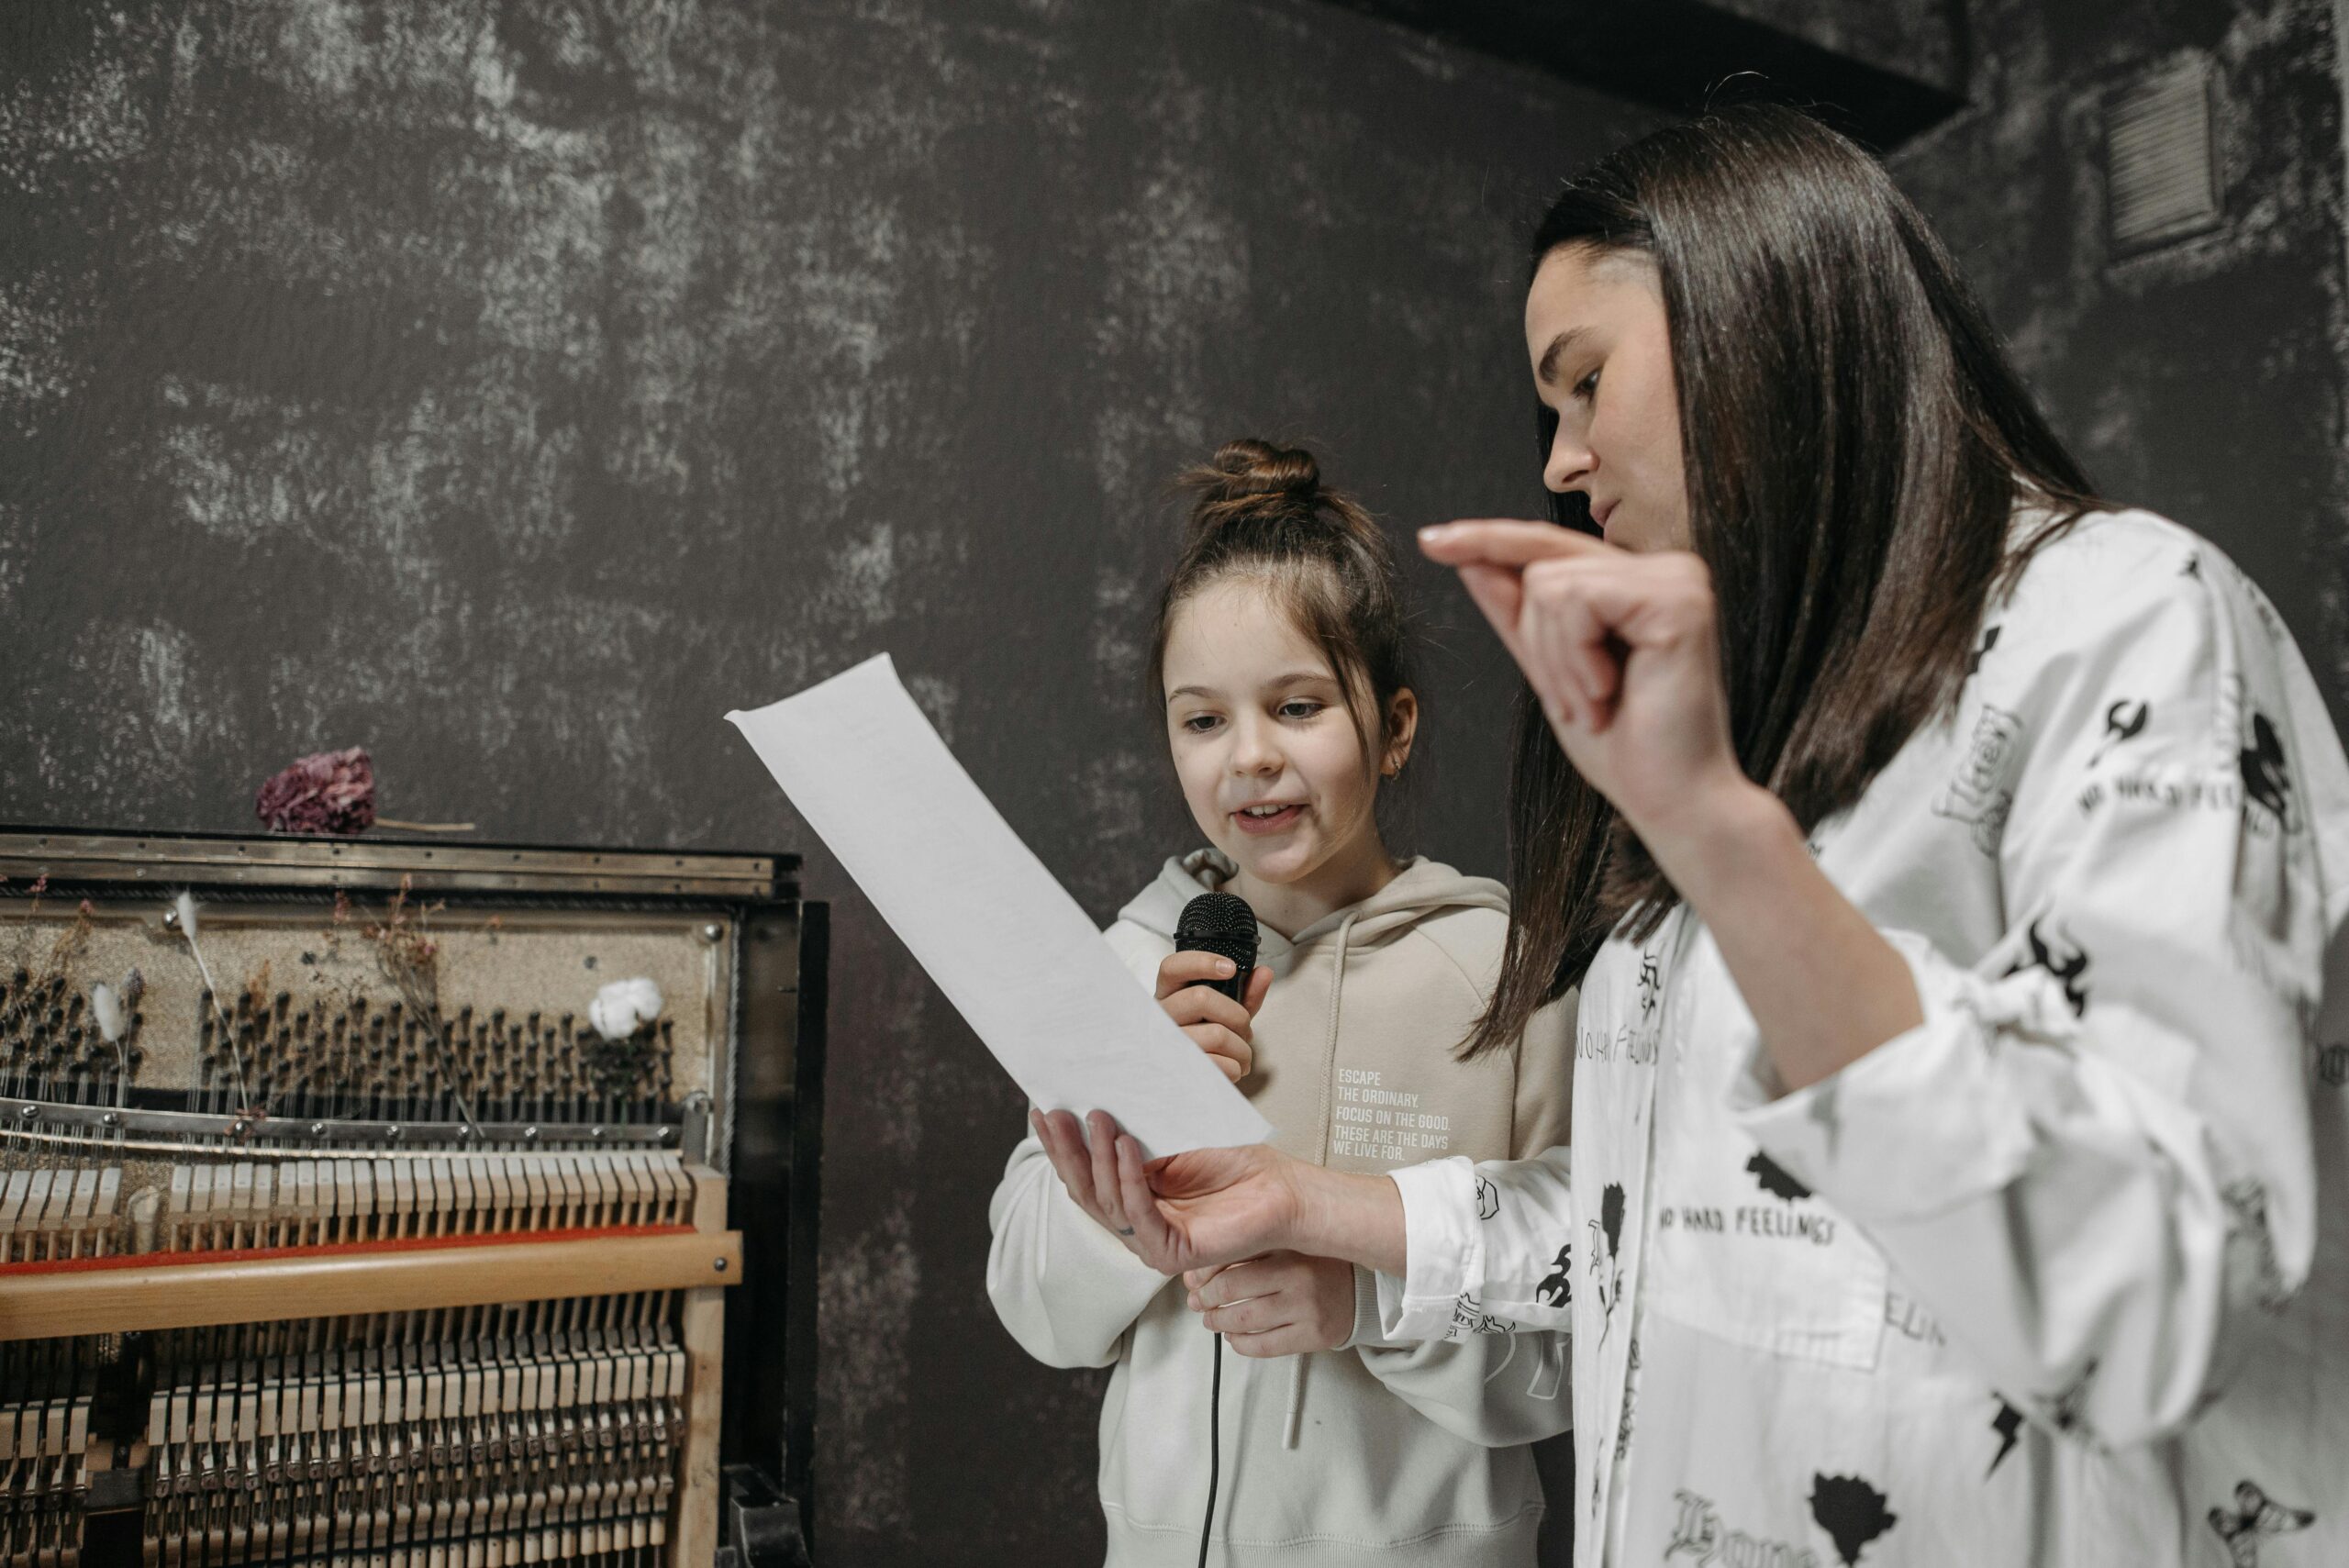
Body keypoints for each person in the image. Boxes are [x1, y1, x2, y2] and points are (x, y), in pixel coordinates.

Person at [1035, 107, 2349, 1566]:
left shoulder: (2124, 628)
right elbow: (1641, 1237)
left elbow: (2157, 1291)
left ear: (1760, 315)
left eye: (1586, 384)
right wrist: (1319, 1209)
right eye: (1553, 413)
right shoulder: (1732, 750)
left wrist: (1721, 834)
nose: (1566, 464)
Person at [990, 439, 1576, 1566]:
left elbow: (1571, 1342)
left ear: (1393, 727)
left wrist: (1368, 1304)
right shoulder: (1130, 961)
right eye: (1201, 719)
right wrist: (1135, 1122)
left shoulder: (1505, 975)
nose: (1247, 757)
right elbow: (1031, 1300)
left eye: (1296, 705)